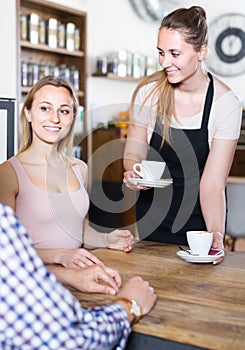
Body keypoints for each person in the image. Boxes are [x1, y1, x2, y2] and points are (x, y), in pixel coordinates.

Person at [123, 6, 242, 263]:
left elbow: (212, 184)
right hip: (150, 219)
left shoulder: (225, 104)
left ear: (201, 52)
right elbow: (134, 151)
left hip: (199, 229)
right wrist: (133, 171)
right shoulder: (149, 93)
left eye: (175, 53)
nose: (165, 62)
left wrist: (216, 235)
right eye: (161, 53)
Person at [0, 76, 134, 294]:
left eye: (63, 111)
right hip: (29, 287)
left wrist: (106, 239)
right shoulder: (7, 173)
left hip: (76, 281)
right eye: (45, 108)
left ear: (72, 117)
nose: (55, 118)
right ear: (28, 113)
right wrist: (60, 255)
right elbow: (5, 252)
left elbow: (78, 231)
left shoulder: (79, 168)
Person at [0, 202, 156, 349]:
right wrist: (128, 306)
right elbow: (68, 343)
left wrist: (69, 274)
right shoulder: (4, 216)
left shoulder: (78, 171)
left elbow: (78, 229)